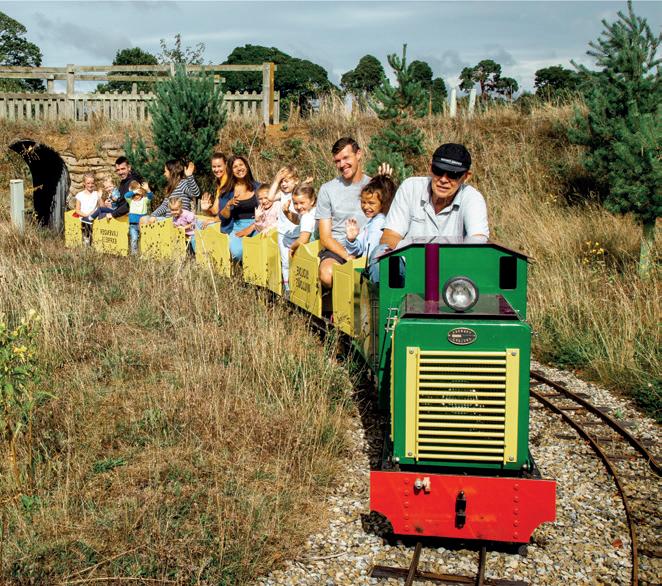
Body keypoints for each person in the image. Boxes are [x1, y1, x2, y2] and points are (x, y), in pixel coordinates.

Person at [380, 143, 489, 250]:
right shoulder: (410, 188)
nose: (443, 180)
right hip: (411, 260)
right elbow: (389, 238)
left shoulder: (473, 199)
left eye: (453, 174)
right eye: (439, 171)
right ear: (430, 168)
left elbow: (478, 244)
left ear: (466, 176)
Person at [315, 137, 371, 288]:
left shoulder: (373, 185)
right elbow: (325, 237)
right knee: (327, 274)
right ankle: (332, 298)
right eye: (337, 161)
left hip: (368, 248)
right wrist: (348, 256)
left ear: (358, 154)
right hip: (339, 250)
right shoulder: (327, 190)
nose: (342, 164)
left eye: (346, 158)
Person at [217, 155, 260, 261]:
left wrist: (253, 226)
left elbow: (268, 208)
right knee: (237, 253)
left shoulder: (258, 187)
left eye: (241, 165)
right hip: (237, 226)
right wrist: (228, 205)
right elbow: (223, 217)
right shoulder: (226, 191)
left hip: (257, 224)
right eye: (235, 167)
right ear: (231, 171)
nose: (239, 168)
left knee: (260, 247)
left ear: (246, 166)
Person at [344, 174, 396, 258]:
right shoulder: (371, 222)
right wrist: (351, 240)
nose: (365, 206)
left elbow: (372, 254)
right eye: (363, 202)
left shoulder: (380, 223)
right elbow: (358, 249)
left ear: (383, 203)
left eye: (371, 203)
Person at [142, 159, 200, 224]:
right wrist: (153, 215)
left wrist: (190, 176)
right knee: (144, 219)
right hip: (169, 220)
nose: (164, 174)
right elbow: (164, 206)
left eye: (165, 171)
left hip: (181, 221)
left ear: (172, 172)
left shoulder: (183, 183)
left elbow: (195, 193)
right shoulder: (170, 188)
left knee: (145, 220)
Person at [287, 183, 318, 260]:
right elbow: (297, 220)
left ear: (312, 201)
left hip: (309, 251)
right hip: (317, 248)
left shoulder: (307, 217)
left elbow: (303, 239)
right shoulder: (314, 211)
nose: (298, 207)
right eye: (295, 203)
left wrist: (292, 247)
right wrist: (286, 212)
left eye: (302, 203)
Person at [125, 180, 153, 254]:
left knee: (143, 239)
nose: (136, 196)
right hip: (133, 225)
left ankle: (143, 253)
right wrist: (134, 191)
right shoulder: (131, 201)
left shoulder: (144, 201)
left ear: (142, 194)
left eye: (138, 194)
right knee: (134, 239)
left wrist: (148, 190)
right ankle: (134, 254)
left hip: (142, 224)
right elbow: (126, 195)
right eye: (135, 195)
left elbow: (150, 196)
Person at [199, 152, 228, 218]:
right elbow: (215, 210)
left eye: (219, 166)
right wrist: (206, 209)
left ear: (226, 164)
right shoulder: (220, 183)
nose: (216, 170)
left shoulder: (230, 181)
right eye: (214, 167)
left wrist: (217, 218)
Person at [74, 173, 99, 244]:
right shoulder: (80, 195)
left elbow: (100, 206)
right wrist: (87, 215)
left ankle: (94, 243)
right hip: (84, 218)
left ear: (94, 183)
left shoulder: (96, 194)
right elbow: (77, 210)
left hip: (95, 218)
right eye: (88, 183)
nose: (90, 185)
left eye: (92, 183)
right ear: (84, 183)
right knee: (86, 224)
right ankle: (86, 242)